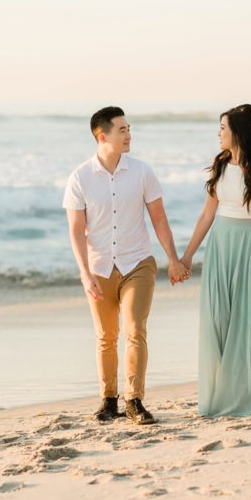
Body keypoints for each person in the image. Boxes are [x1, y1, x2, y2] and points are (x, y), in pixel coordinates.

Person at [64, 107, 188, 425]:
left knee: (135, 329)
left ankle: (134, 400)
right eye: (122, 129)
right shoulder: (80, 177)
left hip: (138, 264)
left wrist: (173, 259)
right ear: (102, 136)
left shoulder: (142, 172)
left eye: (129, 128)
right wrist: (84, 273)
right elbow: (77, 231)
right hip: (99, 267)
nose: (128, 134)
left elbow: (159, 219)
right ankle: (109, 400)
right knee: (106, 336)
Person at [180, 104, 251, 416]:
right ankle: (223, 390)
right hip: (220, 245)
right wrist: (188, 255)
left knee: (250, 319)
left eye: (223, 128)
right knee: (218, 318)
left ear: (237, 133)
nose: (218, 134)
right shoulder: (219, 163)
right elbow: (207, 214)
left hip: (250, 245)